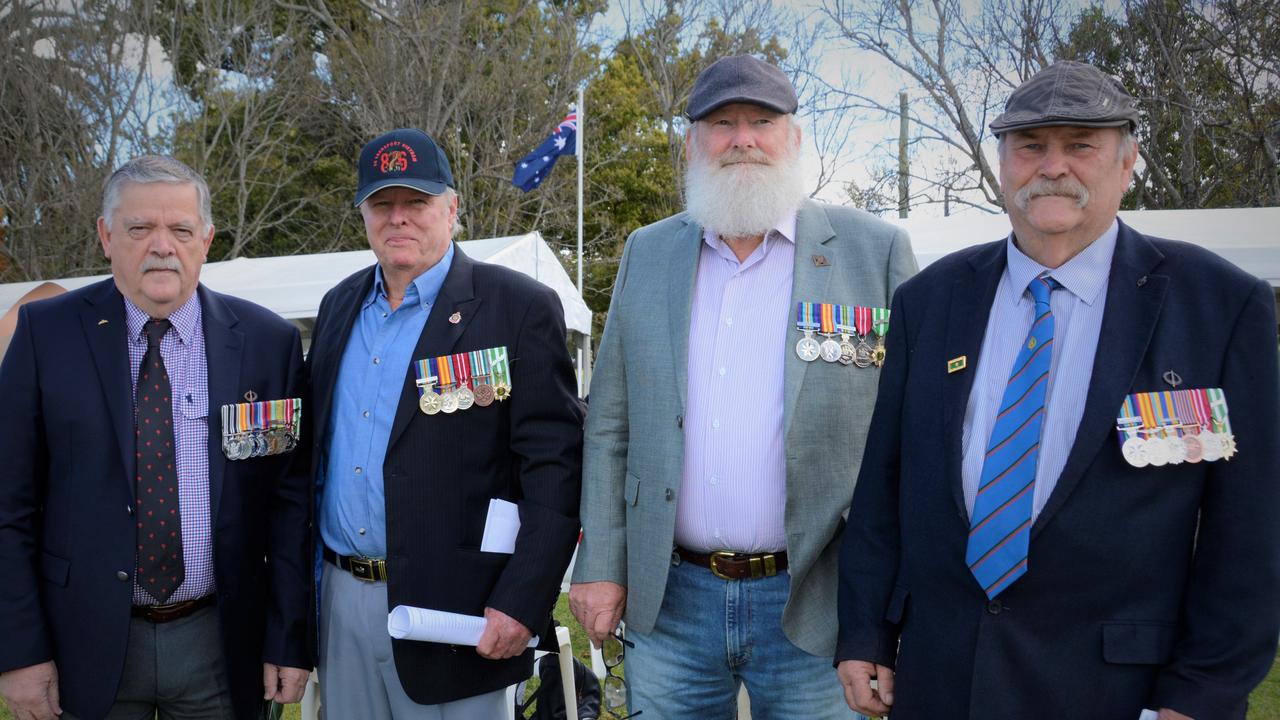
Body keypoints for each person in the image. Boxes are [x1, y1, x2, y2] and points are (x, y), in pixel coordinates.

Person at [836, 60, 1280, 720]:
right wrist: (865, 632)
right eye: (1031, 146)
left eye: (1081, 145)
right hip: (940, 679)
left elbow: (1250, 531)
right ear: (1001, 162)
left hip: (1118, 692)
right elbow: (884, 486)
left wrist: (1202, 695)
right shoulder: (930, 300)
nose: (1053, 166)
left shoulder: (1218, 305)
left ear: (1128, 162)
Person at [570, 55, 917, 717]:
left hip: (818, 598)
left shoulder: (874, 252)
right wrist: (600, 563)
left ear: (794, 137)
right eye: (722, 123)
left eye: (762, 121)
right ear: (694, 143)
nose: (743, 139)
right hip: (670, 601)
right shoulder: (649, 252)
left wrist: (891, 601)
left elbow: (911, 434)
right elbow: (610, 422)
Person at [0, 156, 312, 719]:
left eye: (181, 230)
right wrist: (19, 652)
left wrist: (288, 637)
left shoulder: (268, 343)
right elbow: (8, 505)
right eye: (140, 229)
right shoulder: (46, 336)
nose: (161, 246)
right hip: (84, 642)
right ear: (106, 236)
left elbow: (289, 508)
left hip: (220, 640)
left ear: (207, 239)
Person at [307, 128, 583, 717]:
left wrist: (522, 599)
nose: (398, 219)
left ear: (452, 209)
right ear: (363, 215)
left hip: (461, 614)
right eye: (383, 204)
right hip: (341, 604)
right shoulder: (337, 308)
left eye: (417, 203)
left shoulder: (517, 307)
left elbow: (555, 468)